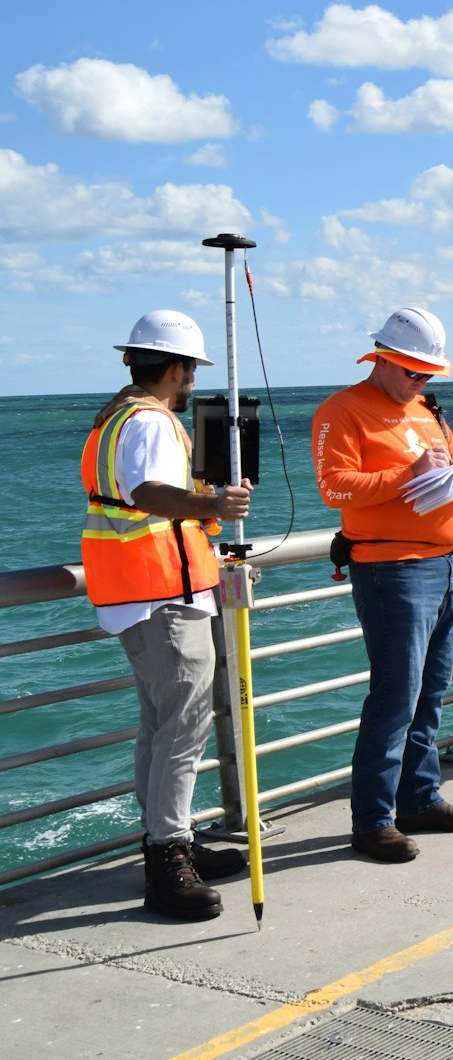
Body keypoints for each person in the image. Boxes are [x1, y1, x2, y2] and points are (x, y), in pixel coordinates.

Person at [82, 310, 253, 920]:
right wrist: (213, 501)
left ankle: (169, 838)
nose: (190, 386)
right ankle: (168, 858)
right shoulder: (151, 422)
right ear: (177, 369)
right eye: (190, 373)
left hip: (137, 593)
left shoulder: (117, 418)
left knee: (160, 726)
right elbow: (148, 494)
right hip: (162, 596)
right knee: (181, 730)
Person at [312, 307, 453, 863]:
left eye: (428, 374)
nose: (421, 382)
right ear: (381, 360)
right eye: (413, 372)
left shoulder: (426, 409)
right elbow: (335, 489)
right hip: (392, 571)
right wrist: (407, 476)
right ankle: (373, 820)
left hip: (444, 564)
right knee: (395, 697)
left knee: (429, 693)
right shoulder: (342, 411)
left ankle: (418, 797)